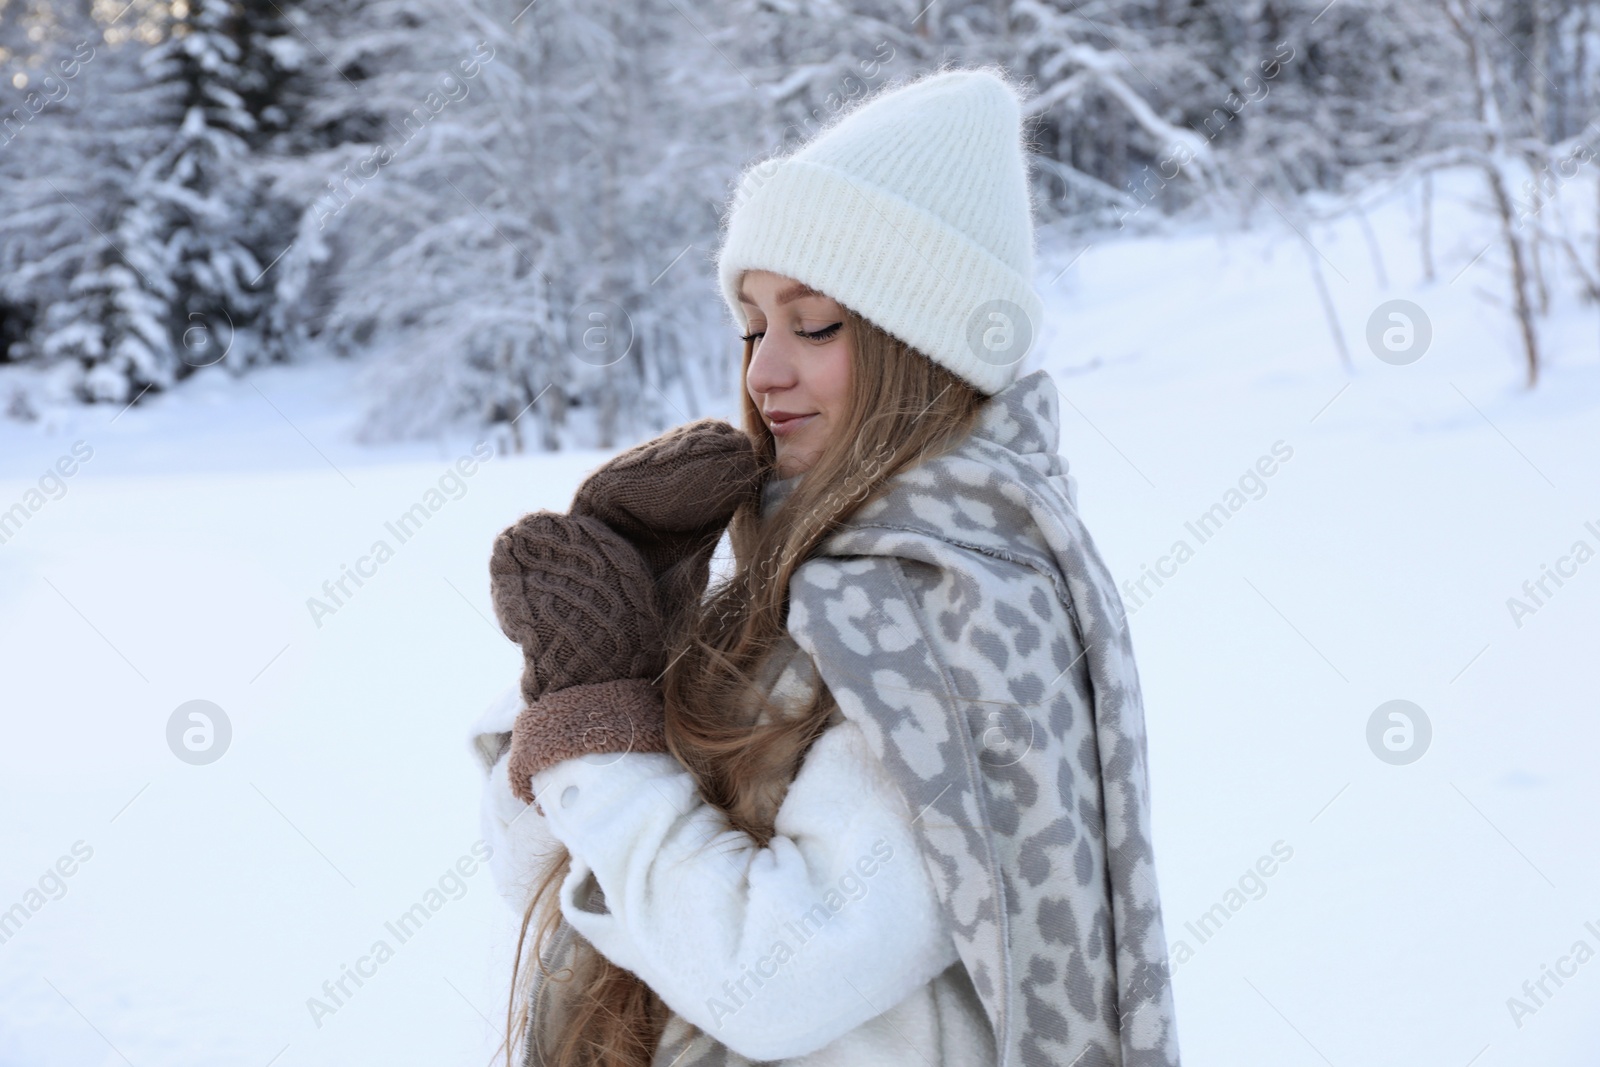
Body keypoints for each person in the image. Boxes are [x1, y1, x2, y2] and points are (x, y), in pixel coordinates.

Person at [468, 67, 1182, 1067]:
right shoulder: (798, 582)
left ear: (920, 343)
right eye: (753, 324)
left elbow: (780, 976)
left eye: (815, 324)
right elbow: (544, 879)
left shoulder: (948, 606)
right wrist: (600, 667)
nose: (763, 372)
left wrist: (598, 731)